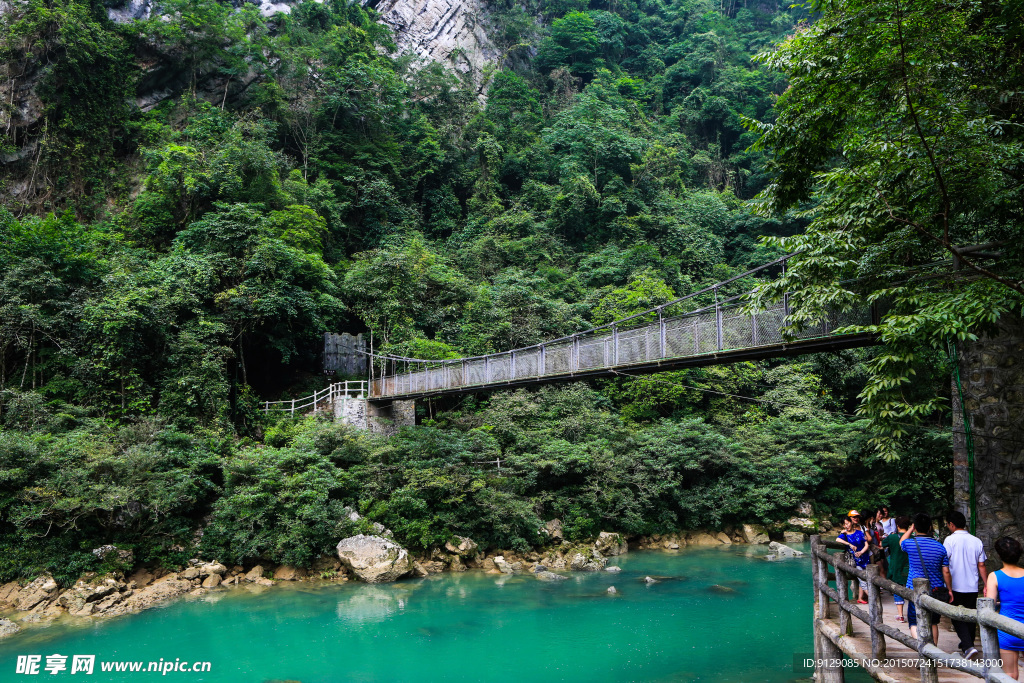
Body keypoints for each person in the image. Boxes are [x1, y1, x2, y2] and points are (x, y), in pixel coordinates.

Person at [901, 513, 954, 643]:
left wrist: (910, 529)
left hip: (915, 589)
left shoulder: (909, 544)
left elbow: (901, 541)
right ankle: (933, 651)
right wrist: (949, 590)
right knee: (934, 622)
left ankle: (923, 649)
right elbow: (946, 571)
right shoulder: (940, 547)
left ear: (915, 527)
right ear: (930, 527)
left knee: (914, 623)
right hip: (935, 590)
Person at [944, 510, 988, 659]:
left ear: (951, 524)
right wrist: (986, 584)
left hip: (955, 585)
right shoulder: (976, 541)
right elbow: (981, 565)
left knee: (956, 616)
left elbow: (945, 566)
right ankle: (967, 645)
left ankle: (968, 646)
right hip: (972, 585)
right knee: (970, 615)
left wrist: (947, 586)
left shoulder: (949, 541)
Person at [986, 536, 1024, 680]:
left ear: (1000, 555)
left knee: (1010, 673)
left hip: (1007, 630)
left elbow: (989, 604)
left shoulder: (994, 576)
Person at [883, 516, 911, 622]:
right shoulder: (912, 538)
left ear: (897, 525)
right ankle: (913, 613)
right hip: (909, 568)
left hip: (896, 567)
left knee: (897, 590)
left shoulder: (893, 537)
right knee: (911, 589)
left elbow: (882, 544)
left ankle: (900, 615)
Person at [837, 514, 870, 604]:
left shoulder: (859, 532)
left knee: (864, 578)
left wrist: (861, 552)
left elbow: (866, 544)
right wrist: (849, 544)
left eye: (847, 523)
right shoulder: (844, 535)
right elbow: (838, 540)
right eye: (844, 524)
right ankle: (873, 598)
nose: (846, 526)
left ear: (851, 523)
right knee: (862, 579)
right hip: (855, 561)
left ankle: (860, 598)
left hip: (864, 557)